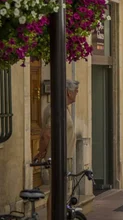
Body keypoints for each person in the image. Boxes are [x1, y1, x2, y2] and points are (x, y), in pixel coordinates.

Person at [35, 80, 79, 218]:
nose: (77, 93)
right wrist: (41, 152)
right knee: (56, 192)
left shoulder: (63, 107)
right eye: (76, 91)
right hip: (58, 158)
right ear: (68, 92)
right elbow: (46, 134)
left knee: (59, 192)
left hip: (64, 156)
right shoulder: (56, 108)